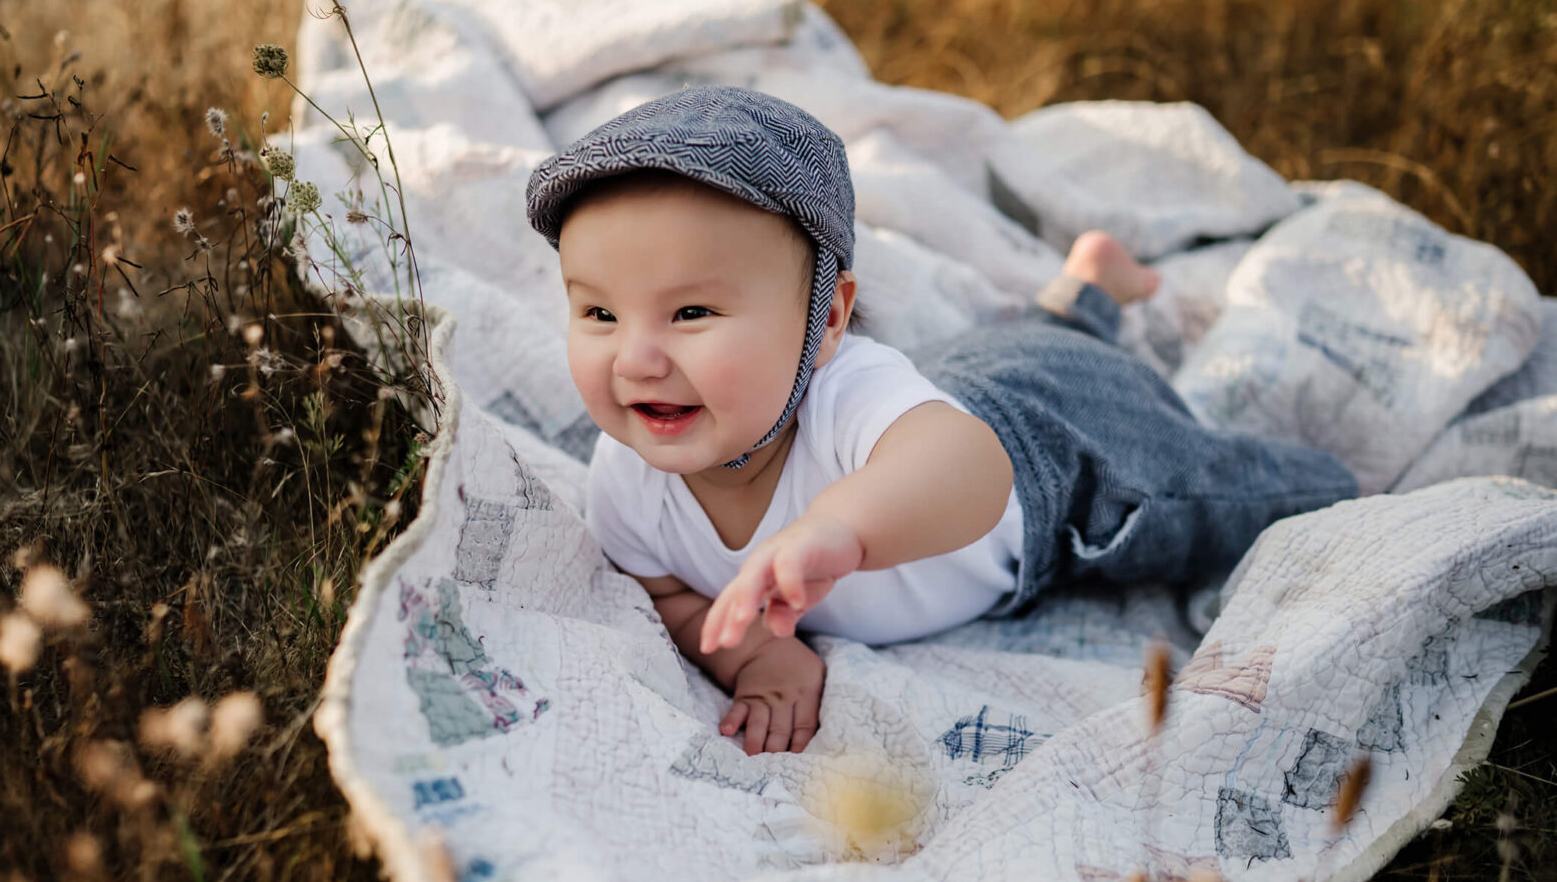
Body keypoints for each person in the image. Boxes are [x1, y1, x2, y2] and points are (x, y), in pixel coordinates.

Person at [523, 85, 1358, 756]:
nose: (634, 358)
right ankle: (1088, 286)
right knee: (1036, 337)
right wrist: (757, 654)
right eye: (598, 314)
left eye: (692, 311)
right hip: (969, 367)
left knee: (1211, 496)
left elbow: (968, 464)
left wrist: (841, 528)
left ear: (828, 323)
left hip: (1051, 447)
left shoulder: (852, 397)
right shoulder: (626, 479)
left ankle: (1350, 484)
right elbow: (667, 592)